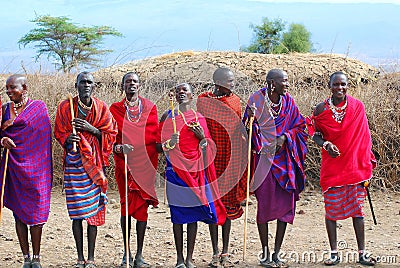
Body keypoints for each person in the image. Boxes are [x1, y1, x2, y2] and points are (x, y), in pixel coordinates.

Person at [308, 71, 377, 266]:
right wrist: (326, 145)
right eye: (336, 84)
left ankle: (362, 253)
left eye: (343, 84)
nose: (340, 88)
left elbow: (365, 137)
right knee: (331, 212)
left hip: (355, 166)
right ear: (329, 86)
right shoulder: (321, 109)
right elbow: (314, 133)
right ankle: (333, 253)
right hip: (333, 166)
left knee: (358, 211)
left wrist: (365, 160)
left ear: (348, 85)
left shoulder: (357, 107)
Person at [243, 69, 307, 268]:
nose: (287, 84)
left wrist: (283, 137)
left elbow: (299, 125)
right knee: (264, 205)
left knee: (285, 208)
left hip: (285, 161)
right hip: (264, 161)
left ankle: (277, 252)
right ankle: (264, 252)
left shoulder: (289, 102)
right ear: (272, 82)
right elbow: (245, 131)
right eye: (284, 81)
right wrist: (249, 119)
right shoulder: (256, 100)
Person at [54, 71, 117, 268]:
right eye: (83, 82)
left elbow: (111, 133)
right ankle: (79, 257)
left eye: (89, 82)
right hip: (74, 164)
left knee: (93, 212)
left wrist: (92, 129)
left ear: (94, 86)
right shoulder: (66, 107)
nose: (86, 85)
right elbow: (59, 131)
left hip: (95, 164)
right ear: (76, 85)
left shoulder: (101, 108)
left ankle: (91, 257)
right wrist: (67, 139)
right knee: (77, 212)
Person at [160, 82, 226, 268]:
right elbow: (159, 146)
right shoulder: (168, 116)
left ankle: (189, 258)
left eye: (185, 91)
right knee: (178, 217)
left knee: (193, 217)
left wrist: (201, 137)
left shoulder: (199, 118)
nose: (181, 93)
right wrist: (170, 143)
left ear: (192, 95)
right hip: (176, 172)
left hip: (196, 172)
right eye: (178, 91)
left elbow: (209, 147)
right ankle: (179, 259)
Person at [0, 74, 53, 268]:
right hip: (13, 166)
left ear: (25, 88)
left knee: (37, 212)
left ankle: (37, 257)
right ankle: (26, 257)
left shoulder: (39, 108)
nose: (8, 91)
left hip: (37, 169)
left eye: (12, 87)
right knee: (19, 213)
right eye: (6, 88)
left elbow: (44, 140)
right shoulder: (4, 110)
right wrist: (2, 140)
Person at [197, 67, 247, 267]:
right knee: (213, 204)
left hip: (231, 159)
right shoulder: (204, 101)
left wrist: (247, 126)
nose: (233, 84)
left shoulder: (235, 101)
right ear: (218, 83)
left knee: (227, 203)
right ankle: (215, 250)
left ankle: (225, 251)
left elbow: (239, 127)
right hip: (211, 159)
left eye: (234, 81)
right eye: (230, 81)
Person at [110, 72, 160, 268]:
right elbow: (111, 137)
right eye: (128, 81)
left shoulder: (150, 108)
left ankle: (139, 254)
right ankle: (126, 253)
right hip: (124, 165)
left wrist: (169, 144)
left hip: (145, 166)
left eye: (135, 81)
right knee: (125, 207)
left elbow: (154, 139)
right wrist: (119, 148)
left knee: (141, 210)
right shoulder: (114, 109)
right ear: (123, 85)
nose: (132, 84)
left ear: (140, 85)